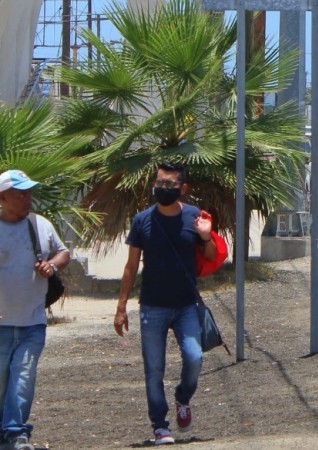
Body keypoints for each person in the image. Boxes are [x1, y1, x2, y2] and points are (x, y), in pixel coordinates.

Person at [114, 162, 218, 446]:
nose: (164, 189)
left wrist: (206, 235)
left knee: (195, 357)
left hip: (186, 304)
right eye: (160, 183)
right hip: (152, 305)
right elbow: (131, 266)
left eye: (170, 185)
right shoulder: (142, 220)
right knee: (154, 368)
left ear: (182, 188)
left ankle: (183, 397)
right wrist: (121, 307)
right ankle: (160, 426)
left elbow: (210, 255)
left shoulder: (194, 217)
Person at [0, 170, 70, 450]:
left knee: (23, 378)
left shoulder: (40, 224)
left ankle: (16, 433)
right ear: (3, 197)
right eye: (20, 194)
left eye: (29, 192)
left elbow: (63, 252)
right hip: (1, 324)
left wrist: (52, 265)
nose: (27, 198)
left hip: (32, 321)